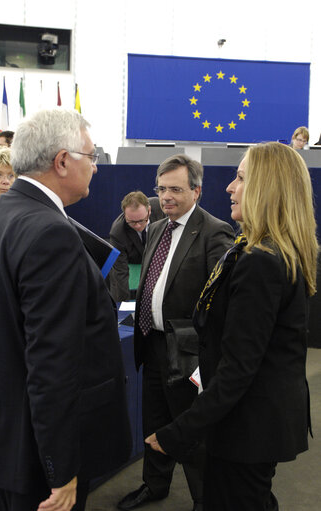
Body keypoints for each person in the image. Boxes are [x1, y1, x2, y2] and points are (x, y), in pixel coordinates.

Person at [146, 142, 318, 511]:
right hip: (251, 420)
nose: (229, 187)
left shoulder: (261, 261)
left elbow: (238, 368)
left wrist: (180, 431)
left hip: (247, 426)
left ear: (265, 188)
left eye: (240, 178)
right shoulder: (264, 250)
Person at [0, 109, 132, 511]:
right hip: (37, 461)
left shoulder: (1, 213)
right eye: (91, 155)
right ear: (63, 161)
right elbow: (53, 364)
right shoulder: (50, 232)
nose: (96, 168)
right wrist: (61, 470)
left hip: (5, 443)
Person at [118, 154, 235, 511]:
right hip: (151, 344)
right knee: (155, 422)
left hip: (188, 353)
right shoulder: (155, 228)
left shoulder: (215, 231)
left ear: (196, 191)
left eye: (175, 189)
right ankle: (154, 486)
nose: (165, 196)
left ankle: (204, 497)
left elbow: (220, 299)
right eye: (161, 188)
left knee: (191, 429)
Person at [109, 191, 165, 302]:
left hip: (159, 255)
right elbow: (120, 271)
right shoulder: (117, 232)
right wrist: (123, 306)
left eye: (141, 220)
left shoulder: (161, 208)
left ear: (149, 210)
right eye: (132, 222)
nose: (138, 226)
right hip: (133, 259)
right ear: (125, 215)